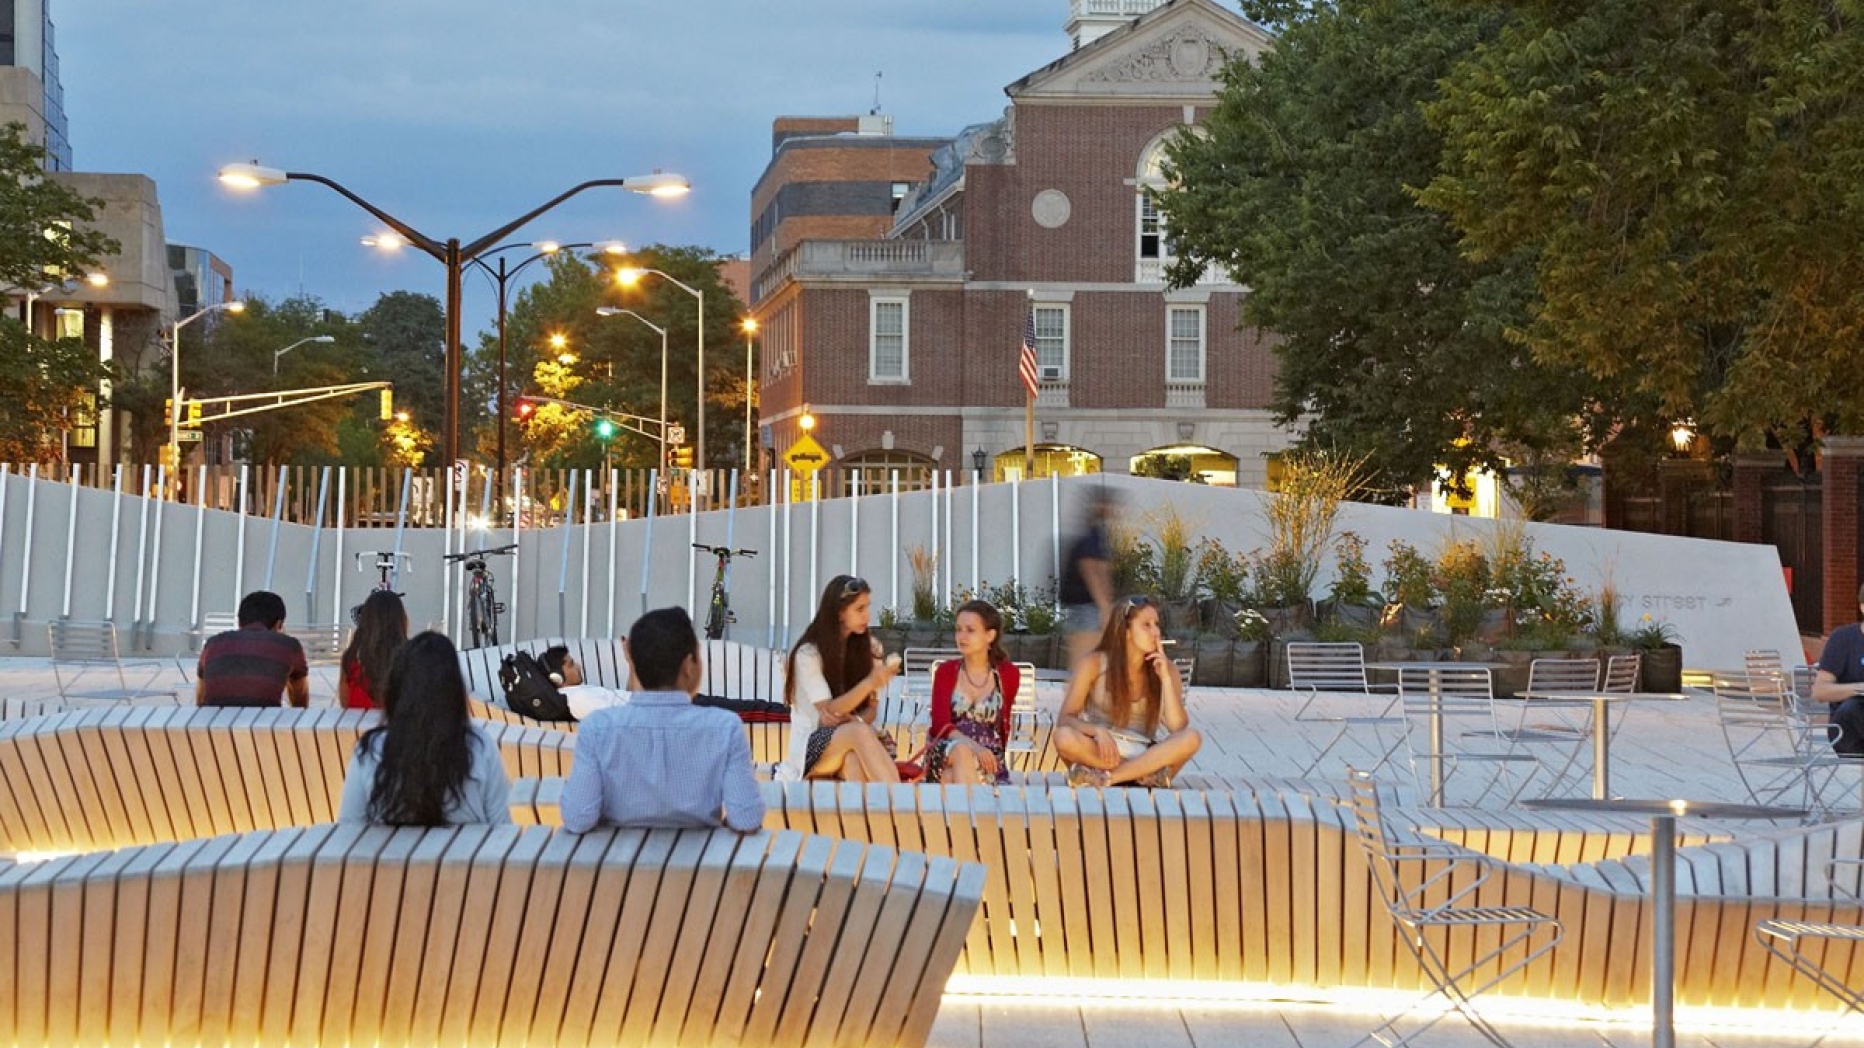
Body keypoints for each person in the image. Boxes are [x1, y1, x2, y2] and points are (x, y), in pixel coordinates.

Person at [560, 607, 765, 833]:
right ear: (689, 666)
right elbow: (747, 819)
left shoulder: (596, 729)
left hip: (621, 864)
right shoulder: (725, 728)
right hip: (697, 864)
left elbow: (578, 819)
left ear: (634, 662)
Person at [336, 631, 513, 825]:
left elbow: (348, 826)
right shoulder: (478, 747)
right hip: (465, 855)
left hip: (390, 854)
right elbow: (502, 826)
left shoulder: (371, 750)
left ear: (396, 690)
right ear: (454, 690)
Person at [1053, 595, 1201, 787]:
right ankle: (1140, 776)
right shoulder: (1095, 663)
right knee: (1063, 737)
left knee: (1191, 738)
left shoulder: (1166, 669)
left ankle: (1111, 778)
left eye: (1156, 624)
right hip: (1103, 750)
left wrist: (1164, 678)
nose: (1156, 632)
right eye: (1146, 625)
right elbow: (1065, 718)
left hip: (1145, 753)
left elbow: (1177, 727)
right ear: (1126, 631)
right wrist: (1096, 730)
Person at [780, 575, 901, 783]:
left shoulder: (871, 649)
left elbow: (871, 709)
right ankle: (901, 804)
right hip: (812, 745)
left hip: (851, 739)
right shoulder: (809, 654)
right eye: (859, 609)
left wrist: (857, 719)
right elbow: (829, 710)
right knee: (859, 733)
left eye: (867, 607)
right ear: (839, 613)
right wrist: (869, 683)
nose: (867, 615)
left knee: (853, 760)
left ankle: (868, 815)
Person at [925, 599, 1021, 785]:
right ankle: (979, 811)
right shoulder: (946, 671)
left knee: (949, 778)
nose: (962, 636)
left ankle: (967, 810)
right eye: (958, 629)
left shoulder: (1008, 674)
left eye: (970, 630)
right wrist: (974, 747)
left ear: (990, 635)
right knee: (961, 752)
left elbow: (1003, 726)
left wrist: (984, 753)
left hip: (988, 758)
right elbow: (940, 724)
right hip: (948, 750)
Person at [196, 590, 310, 708]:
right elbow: (299, 697)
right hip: (263, 723)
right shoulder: (288, 645)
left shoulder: (213, 643)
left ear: (239, 622)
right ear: (279, 624)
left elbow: (201, 696)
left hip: (212, 723)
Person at [1060, 488, 1119, 668]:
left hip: (1086, 607)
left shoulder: (1096, 535)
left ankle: (1083, 693)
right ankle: (1079, 694)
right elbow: (1091, 570)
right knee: (1084, 662)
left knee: (1088, 661)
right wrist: (1105, 608)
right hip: (1086, 607)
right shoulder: (1091, 538)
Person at [1811, 584, 1864, 756]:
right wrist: (1859, 688)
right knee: (1853, 706)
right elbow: (1820, 692)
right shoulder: (1843, 639)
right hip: (1848, 731)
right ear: (1862, 607)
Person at [340, 591, 407, 710]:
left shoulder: (351, 660)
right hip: (397, 727)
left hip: (357, 727)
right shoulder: (410, 660)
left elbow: (345, 704)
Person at [539, 645, 632, 721]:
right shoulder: (578, 698)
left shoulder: (574, 693)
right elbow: (619, 720)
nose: (578, 666)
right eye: (571, 665)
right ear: (557, 678)